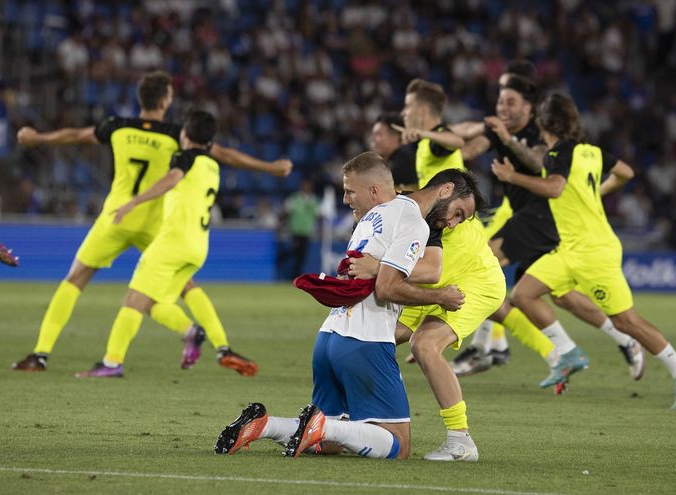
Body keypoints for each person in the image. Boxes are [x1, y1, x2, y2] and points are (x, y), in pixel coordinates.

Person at [12, 71, 290, 373]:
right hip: (157, 223)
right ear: (166, 100)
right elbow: (223, 153)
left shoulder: (118, 126)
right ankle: (213, 341)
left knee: (75, 279)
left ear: (140, 98)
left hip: (116, 216)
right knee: (183, 285)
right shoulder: (176, 134)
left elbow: (75, 135)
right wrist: (269, 167)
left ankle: (40, 354)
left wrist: (38, 138)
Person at [213, 153, 476, 460]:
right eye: (458, 213)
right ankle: (320, 425)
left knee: (332, 443)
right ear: (446, 190)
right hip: (366, 339)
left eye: (350, 192)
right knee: (398, 445)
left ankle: (263, 425)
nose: (453, 223)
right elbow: (387, 287)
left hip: (329, 337)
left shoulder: (369, 219)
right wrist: (440, 297)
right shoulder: (410, 219)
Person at [493, 93, 676, 409]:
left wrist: (512, 177)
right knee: (523, 295)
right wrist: (596, 193)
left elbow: (555, 187)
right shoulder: (590, 151)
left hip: (593, 253)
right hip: (569, 249)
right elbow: (626, 173)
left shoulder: (557, 154)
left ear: (542, 123)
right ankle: (569, 354)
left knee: (626, 322)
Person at [450, 72, 644, 380]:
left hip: (541, 216)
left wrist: (508, 140)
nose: (503, 108)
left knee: (483, 262)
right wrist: (437, 136)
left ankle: (488, 347)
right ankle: (624, 339)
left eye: (511, 102)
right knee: (561, 296)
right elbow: (468, 147)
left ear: (528, 108)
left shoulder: (540, 135)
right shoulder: (498, 130)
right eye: (500, 101)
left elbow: (542, 164)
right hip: (533, 220)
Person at [349, 78, 503, 461]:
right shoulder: (420, 206)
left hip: (475, 283)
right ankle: (353, 417)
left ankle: (460, 441)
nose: (454, 222)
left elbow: (427, 272)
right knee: (375, 338)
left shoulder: (436, 163)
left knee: (424, 344)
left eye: (462, 217)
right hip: (439, 284)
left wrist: (376, 267)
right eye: (458, 214)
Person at [74, 110, 244, 377]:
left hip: (172, 243)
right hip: (198, 247)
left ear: (185, 134)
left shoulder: (184, 158)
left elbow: (172, 178)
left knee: (133, 299)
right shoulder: (213, 166)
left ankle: (111, 363)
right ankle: (194, 333)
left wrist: (134, 202)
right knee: (153, 303)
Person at [281, 179, 320, 278]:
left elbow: (318, 216)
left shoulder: (314, 200)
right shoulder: (294, 199)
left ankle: (297, 275)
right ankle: (294, 273)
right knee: (295, 253)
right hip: (295, 231)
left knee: (302, 255)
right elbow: (285, 213)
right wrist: (282, 226)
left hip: (306, 232)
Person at [369, 113, 418, 191]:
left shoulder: (404, 162)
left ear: (395, 136)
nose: (373, 139)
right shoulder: (393, 161)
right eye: (373, 134)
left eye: (378, 134)